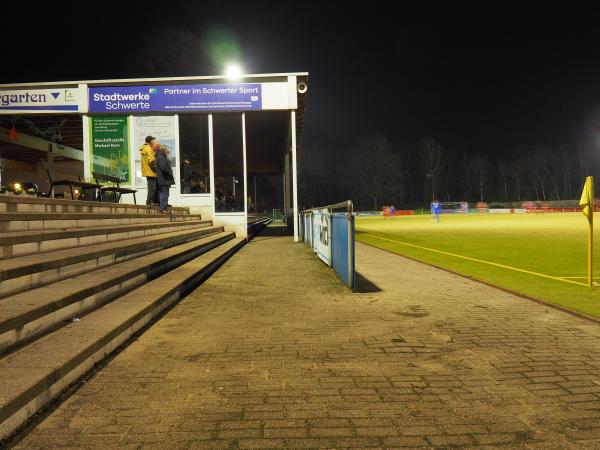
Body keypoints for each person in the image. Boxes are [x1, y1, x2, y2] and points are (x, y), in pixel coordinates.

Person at [140, 136, 159, 205]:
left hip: (149, 171)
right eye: (153, 141)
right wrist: (158, 161)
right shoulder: (148, 148)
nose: (154, 142)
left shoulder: (145, 148)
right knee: (152, 188)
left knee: (152, 188)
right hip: (150, 172)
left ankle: (151, 201)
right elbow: (151, 160)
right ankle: (149, 202)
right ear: (150, 142)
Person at [156, 144, 175, 214]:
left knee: (165, 194)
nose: (168, 153)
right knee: (164, 194)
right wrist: (170, 172)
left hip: (165, 179)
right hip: (164, 179)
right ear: (164, 150)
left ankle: (165, 208)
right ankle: (163, 209)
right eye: (167, 152)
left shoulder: (161, 157)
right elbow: (163, 168)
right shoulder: (161, 157)